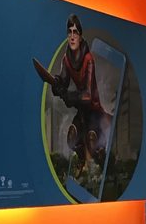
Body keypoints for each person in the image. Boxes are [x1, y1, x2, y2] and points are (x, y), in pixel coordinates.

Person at [35, 15, 109, 175]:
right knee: (71, 138)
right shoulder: (67, 59)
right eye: (69, 32)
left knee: (92, 140)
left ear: (80, 35)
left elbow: (87, 95)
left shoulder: (88, 59)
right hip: (81, 111)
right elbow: (63, 79)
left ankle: (103, 165)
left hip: (93, 111)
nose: (72, 35)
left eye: (75, 32)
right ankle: (82, 160)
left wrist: (69, 96)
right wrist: (57, 84)